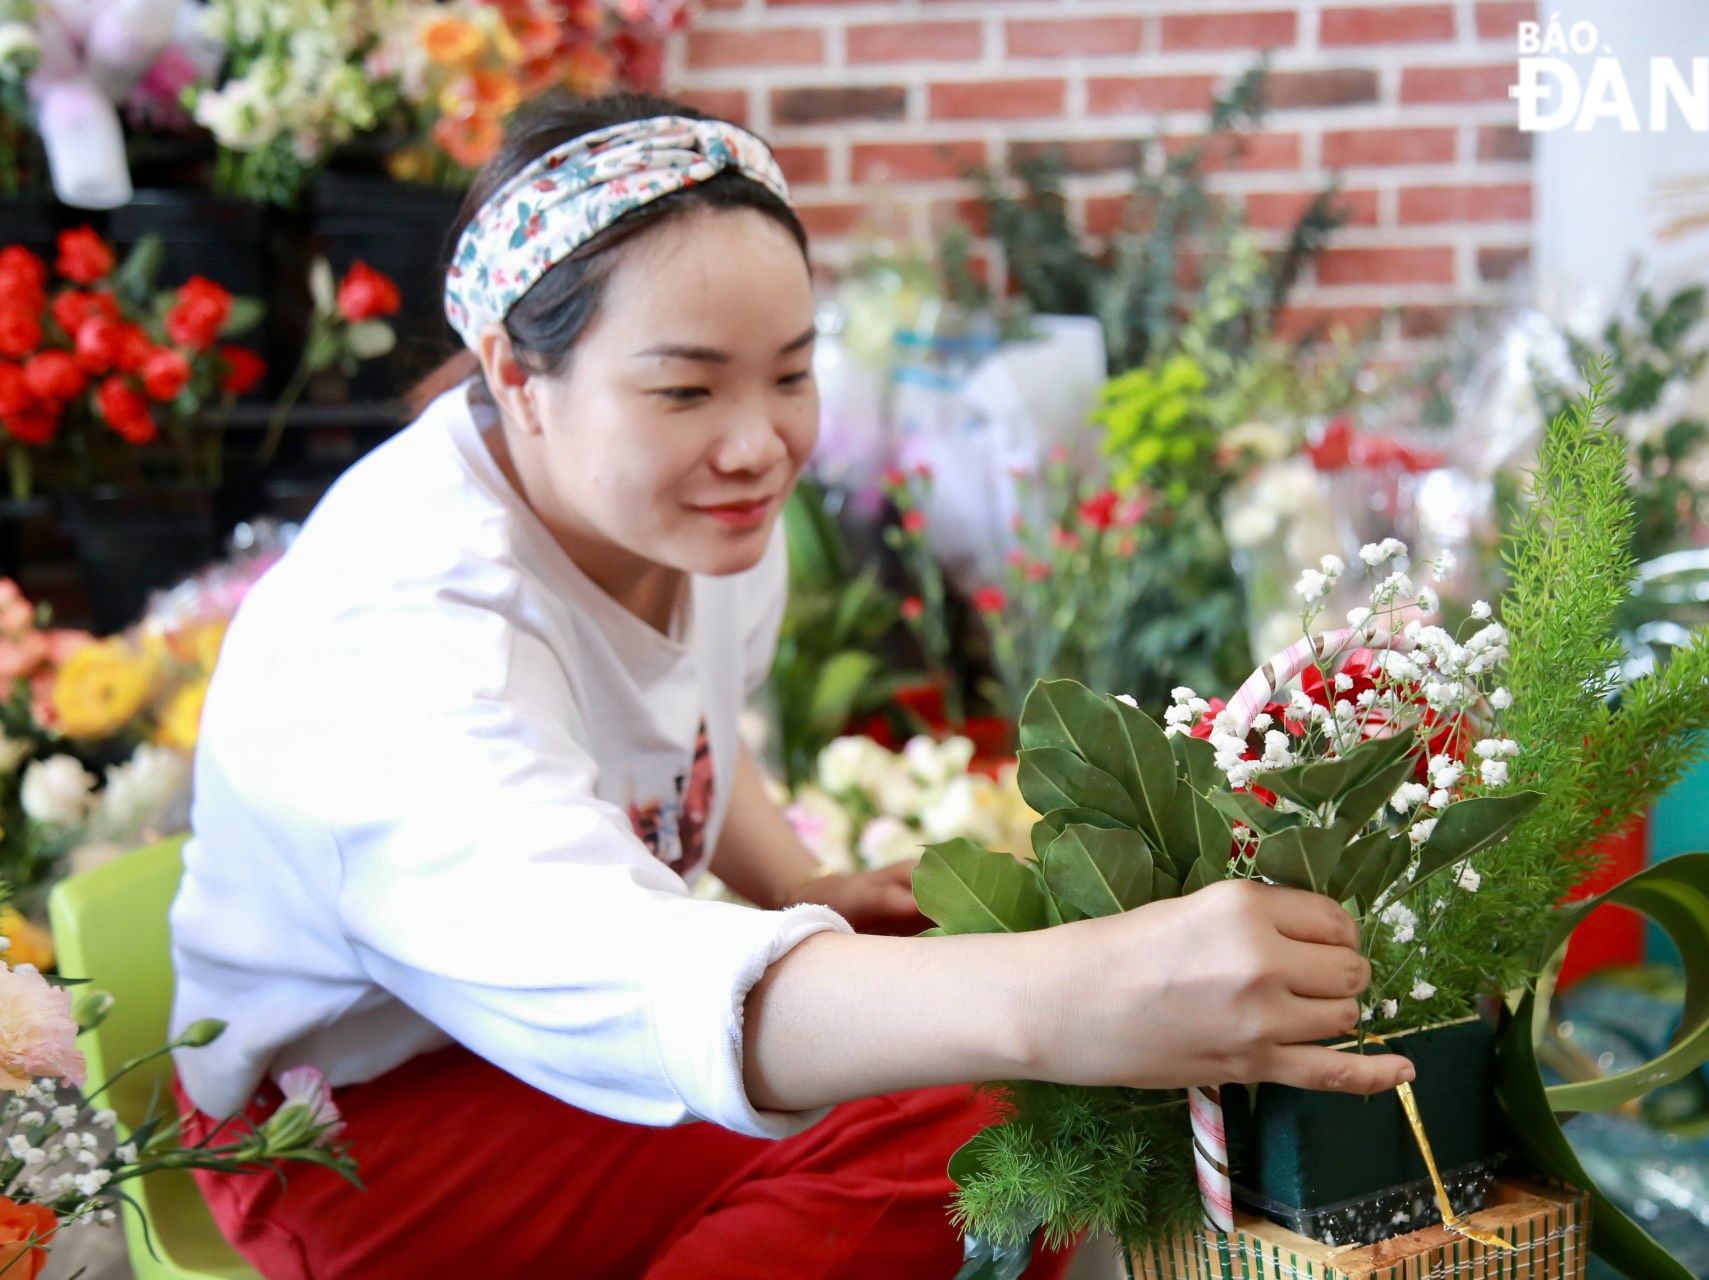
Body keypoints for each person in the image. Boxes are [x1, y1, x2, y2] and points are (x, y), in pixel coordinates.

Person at [166, 90, 1414, 1279]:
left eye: (791, 371)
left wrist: (797, 887)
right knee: (965, 1117)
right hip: (349, 1131)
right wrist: (1078, 989)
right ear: (513, 373)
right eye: (686, 387)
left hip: (529, 1042)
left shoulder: (673, 512)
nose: (760, 443)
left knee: (1005, 1096)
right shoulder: (397, 643)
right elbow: (623, 971)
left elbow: (683, 714)